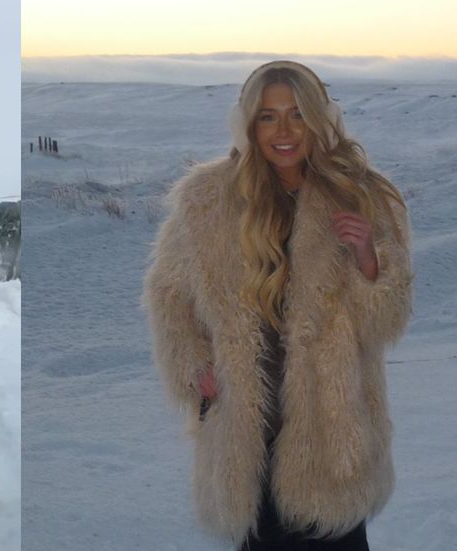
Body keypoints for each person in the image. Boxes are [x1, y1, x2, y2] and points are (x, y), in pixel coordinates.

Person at [143, 60, 414, 550]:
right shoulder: (208, 202)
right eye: (268, 116)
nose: (284, 131)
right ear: (248, 124)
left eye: (297, 114)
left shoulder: (361, 195)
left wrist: (369, 262)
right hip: (247, 431)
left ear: (319, 119)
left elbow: (386, 322)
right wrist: (193, 367)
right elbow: (169, 297)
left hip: (332, 432)